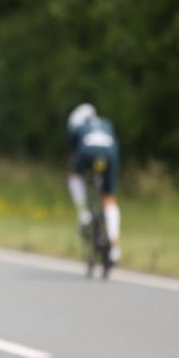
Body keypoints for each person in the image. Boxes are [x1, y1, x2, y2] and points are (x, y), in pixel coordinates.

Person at [66, 103, 121, 263]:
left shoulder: (79, 127)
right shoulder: (106, 123)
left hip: (87, 152)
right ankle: (114, 248)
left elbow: (73, 153)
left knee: (74, 176)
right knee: (109, 197)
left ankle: (83, 213)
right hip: (110, 153)